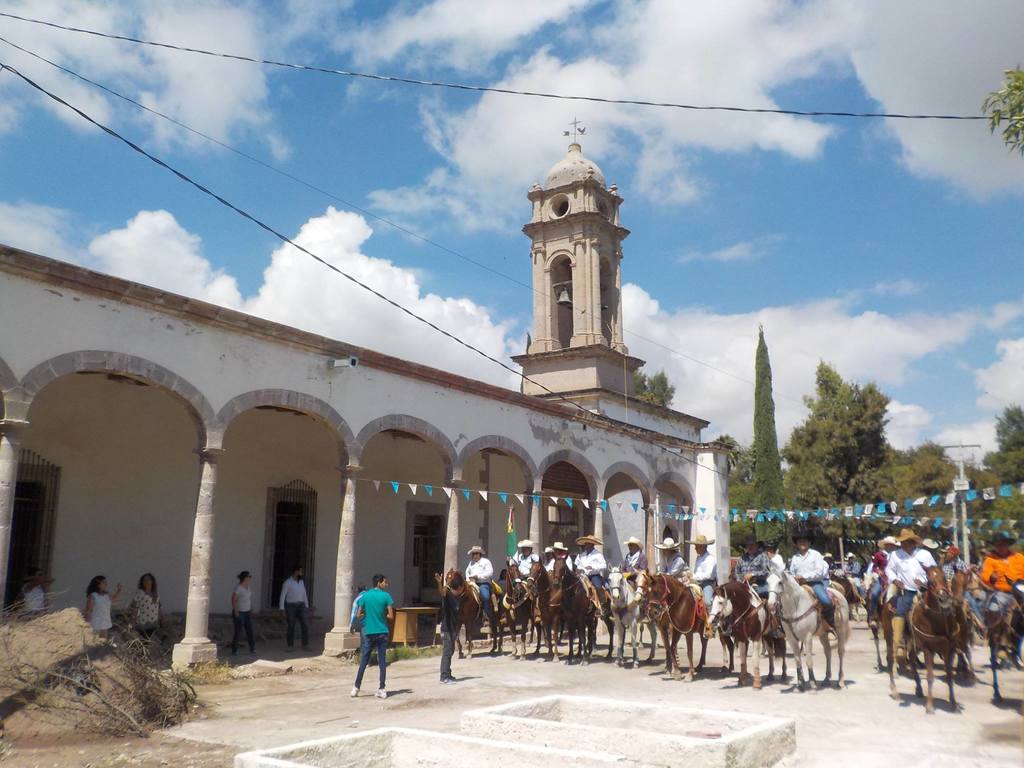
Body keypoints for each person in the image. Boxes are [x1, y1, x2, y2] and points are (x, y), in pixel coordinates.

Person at [885, 528, 937, 661]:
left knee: (944, 608)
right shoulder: (895, 555)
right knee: (900, 611)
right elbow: (889, 570)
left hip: (926, 590)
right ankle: (900, 642)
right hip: (907, 590)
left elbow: (934, 571)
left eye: (907, 541)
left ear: (913, 541)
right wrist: (895, 580)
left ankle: (950, 637)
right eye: (902, 542)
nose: (904, 544)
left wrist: (925, 582)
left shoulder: (925, 554)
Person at [351, 573, 395, 699]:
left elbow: (358, 614)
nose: (386, 584)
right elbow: (391, 616)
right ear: (379, 583)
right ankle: (382, 688)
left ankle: (356, 687)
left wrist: (367, 614)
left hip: (369, 632)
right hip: (382, 632)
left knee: (364, 661)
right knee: (382, 662)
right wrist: (382, 614)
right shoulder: (386, 596)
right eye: (385, 582)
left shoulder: (365, 596)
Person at [788, 530, 835, 629]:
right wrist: (793, 577)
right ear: (796, 543)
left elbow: (819, 572)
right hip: (798, 585)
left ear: (809, 542)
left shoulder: (816, 554)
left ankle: (830, 624)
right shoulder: (794, 557)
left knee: (826, 601)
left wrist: (804, 577)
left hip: (814, 584)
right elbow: (791, 572)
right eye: (800, 541)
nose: (802, 543)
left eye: (805, 541)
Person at [980, 531, 1024, 614]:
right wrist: (991, 578)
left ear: (1008, 545)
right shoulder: (990, 559)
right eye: (998, 545)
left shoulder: (1019, 557)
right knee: (993, 610)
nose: (1001, 547)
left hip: (1021, 592)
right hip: (1002, 593)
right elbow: (985, 577)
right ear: (995, 546)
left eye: (1003, 544)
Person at [438, 571, 463, 684]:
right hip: (446, 629)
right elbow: (442, 592)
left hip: (452, 629)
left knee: (451, 651)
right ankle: (444, 677)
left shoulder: (454, 597)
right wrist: (439, 583)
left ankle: (448, 673)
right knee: (447, 653)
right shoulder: (447, 594)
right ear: (459, 587)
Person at [279, 566, 310, 650]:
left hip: (301, 605)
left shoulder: (301, 582)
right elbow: (283, 595)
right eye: (300, 571)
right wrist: (282, 608)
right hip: (290, 606)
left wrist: (307, 606)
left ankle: (305, 644)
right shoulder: (287, 582)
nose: (302, 573)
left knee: (305, 624)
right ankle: (290, 645)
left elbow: (304, 594)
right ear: (296, 572)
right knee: (291, 625)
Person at [687, 534, 717, 607]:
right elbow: (696, 571)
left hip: (707, 583)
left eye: (696, 546)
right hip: (696, 582)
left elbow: (708, 575)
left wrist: (693, 576)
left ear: (702, 547)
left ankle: (711, 613)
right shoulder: (698, 558)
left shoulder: (710, 559)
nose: (695, 548)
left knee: (707, 602)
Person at [466, 545, 494, 620]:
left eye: (475, 553)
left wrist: (478, 576)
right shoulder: (471, 563)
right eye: (473, 554)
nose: (474, 555)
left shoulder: (486, 561)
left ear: (479, 554)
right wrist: (468, 580)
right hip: (472, 583)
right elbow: (467, 572)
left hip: (483, 584)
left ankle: (487, 616)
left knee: (485, 597)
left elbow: (490, 573)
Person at [231, 571, 256, 656]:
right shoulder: (238, 588)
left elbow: (248, 599)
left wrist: (251, 607)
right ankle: (234, 650)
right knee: (238, 631)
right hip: (240, 612)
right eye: (249, 576)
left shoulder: (248, 587)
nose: (250, 578)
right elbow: (233, 599)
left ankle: (252, 648)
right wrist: (236, 611)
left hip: (247, 612)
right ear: (245, 578)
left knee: (250, 630)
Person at [131, 572, 161, 640]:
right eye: (145, 580)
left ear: (152, 581)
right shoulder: (140, 593)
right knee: (144, 641)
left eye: (149, 579)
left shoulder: (155, 593)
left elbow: (158, 607)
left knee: (152, 642)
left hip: (154, 623)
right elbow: (135, 608)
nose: (147, 581)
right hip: (143, 624)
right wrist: (132, 622)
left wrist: (161, 619)